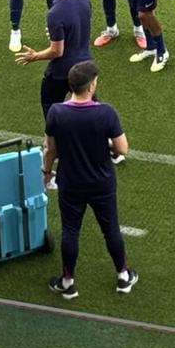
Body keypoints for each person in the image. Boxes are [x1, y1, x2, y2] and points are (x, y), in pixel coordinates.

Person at [41, 61, 137, 299]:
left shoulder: (56, 112)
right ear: (91, 86)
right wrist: (106, 144)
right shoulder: (106, 112)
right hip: (101, 182)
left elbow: (50, 149)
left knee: (70, 231)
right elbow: (122, 149)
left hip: (70, 182)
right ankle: (123, 276)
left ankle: (67, 282)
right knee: (110, 229)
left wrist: (46, 172)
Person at [15, 0, 93, 121]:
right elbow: (79, 24)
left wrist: (34, 56)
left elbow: (57, 51)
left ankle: (54, 135)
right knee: (90, 107)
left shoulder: (55, 13)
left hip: (62, 71)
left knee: (50, 108)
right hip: (85, 64)